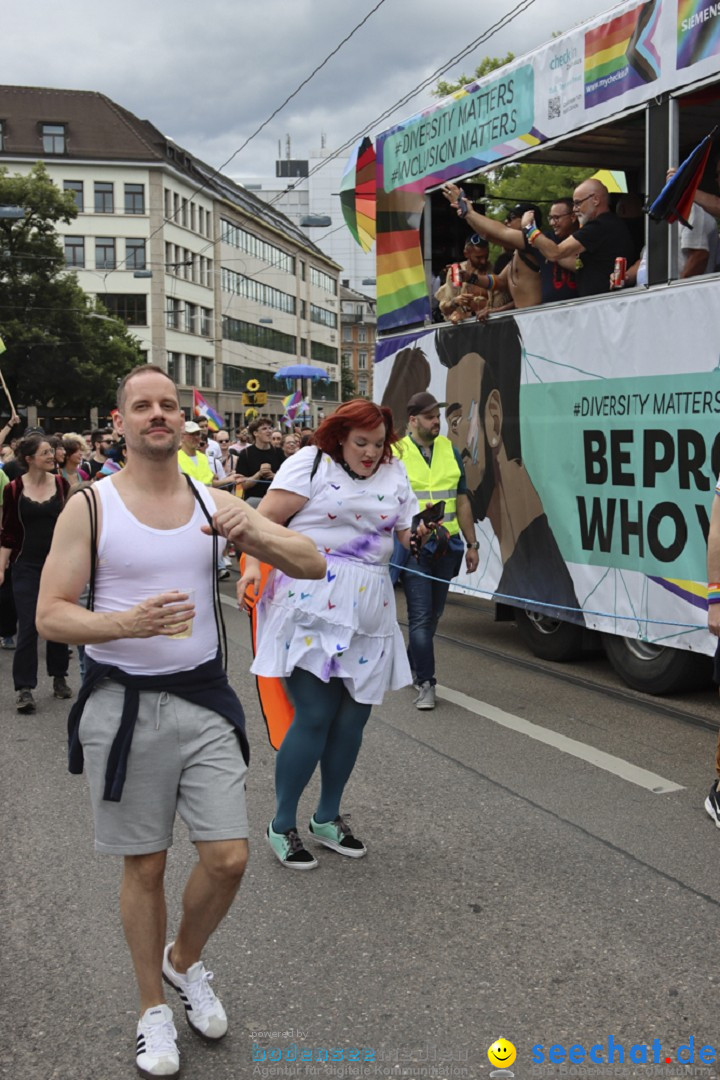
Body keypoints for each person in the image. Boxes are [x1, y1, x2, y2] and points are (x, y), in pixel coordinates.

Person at [35, 363, 325, 1080]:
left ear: (184, 421)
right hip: (124, 704)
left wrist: (250, 533)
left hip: (201, 701)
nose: (159, 414)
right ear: (121, 421)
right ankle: (150, 1011)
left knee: (228, 858)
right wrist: (123, 622)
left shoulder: (213, 499)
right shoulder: (91, 506)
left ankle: (183, 962)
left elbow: (312, 561)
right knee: (147, 864)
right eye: (144, 406)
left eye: (168, 404)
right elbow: (49, 613)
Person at [240, 399, 421, 869]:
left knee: (352, 721)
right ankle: (281, 823)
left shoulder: (395, 473)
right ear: (340, 436)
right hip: (310, 600)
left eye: (379, 444)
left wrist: (425, 536)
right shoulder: (311, 463)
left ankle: (327, 816)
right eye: (361, 443)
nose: (370, 452)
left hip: (371, 608)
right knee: (316, 714)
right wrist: (254, 568)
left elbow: (406, 532)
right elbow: (262, 524)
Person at [436, 319, 583, 625]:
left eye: (456, 422)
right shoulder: (534, 567)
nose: (450, 443)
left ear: (493, 419)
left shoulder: (544, 578)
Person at [393, 392, 480, 710]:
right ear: (413, 420)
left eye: (438, 416)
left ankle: (410, 662)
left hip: (449, 545)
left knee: (434, 616)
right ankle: (426, 683)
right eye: (430, 417)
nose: (436, 422)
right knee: (420, 617)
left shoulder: (450, 450)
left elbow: (462, 500)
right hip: (414, 548)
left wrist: (472, 544)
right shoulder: (395, 453)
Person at [0, 432, 72, 713]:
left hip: (58, 564)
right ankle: (25, 688)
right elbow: (7, 531)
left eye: (52, 452)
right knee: (29, 625)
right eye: (45, 453)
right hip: (25, 565)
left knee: (56, 621)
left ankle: (59, 677)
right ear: (29, 459)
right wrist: (2, 567)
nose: (52, 456)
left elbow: (71, 524)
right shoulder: (14, 488)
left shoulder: (62, 484)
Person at [519, 179, 635, 298]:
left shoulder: (598, 227)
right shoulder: (610, 224)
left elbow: (555, 252)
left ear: (595, 200)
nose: (574, 209)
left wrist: (529, 228)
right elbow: (579, 264)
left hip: (603, 303)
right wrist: (541, 244)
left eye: (578, 203)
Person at [442, 187, 545, 310]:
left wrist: (468, 212)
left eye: (511, 217)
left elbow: (493, 233)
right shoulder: (519, 251)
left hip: (535, 317)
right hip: (525, 319)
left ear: (528, 220)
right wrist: (470, 277)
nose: (506, 221)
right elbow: (500, 281)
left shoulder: (534, 243)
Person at [434, 235, 490, 323]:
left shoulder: (493, 270)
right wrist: (455, 302)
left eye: (486, 256)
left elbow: (499, 304)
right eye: (478, 257)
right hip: (463, 328)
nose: (483, 261)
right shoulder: (456, 271)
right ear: (466, 254)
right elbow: (446, 309)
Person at [234, 418, 286, 507]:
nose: (269, 431)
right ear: (255, 433)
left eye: (270, 428)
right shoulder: (245, 454)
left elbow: (287, 479)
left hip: (275, 501)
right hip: (252, 502)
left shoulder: (279, 452)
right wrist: (259, 474)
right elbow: (241, 485)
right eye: (264, 429)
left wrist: (274, 476)